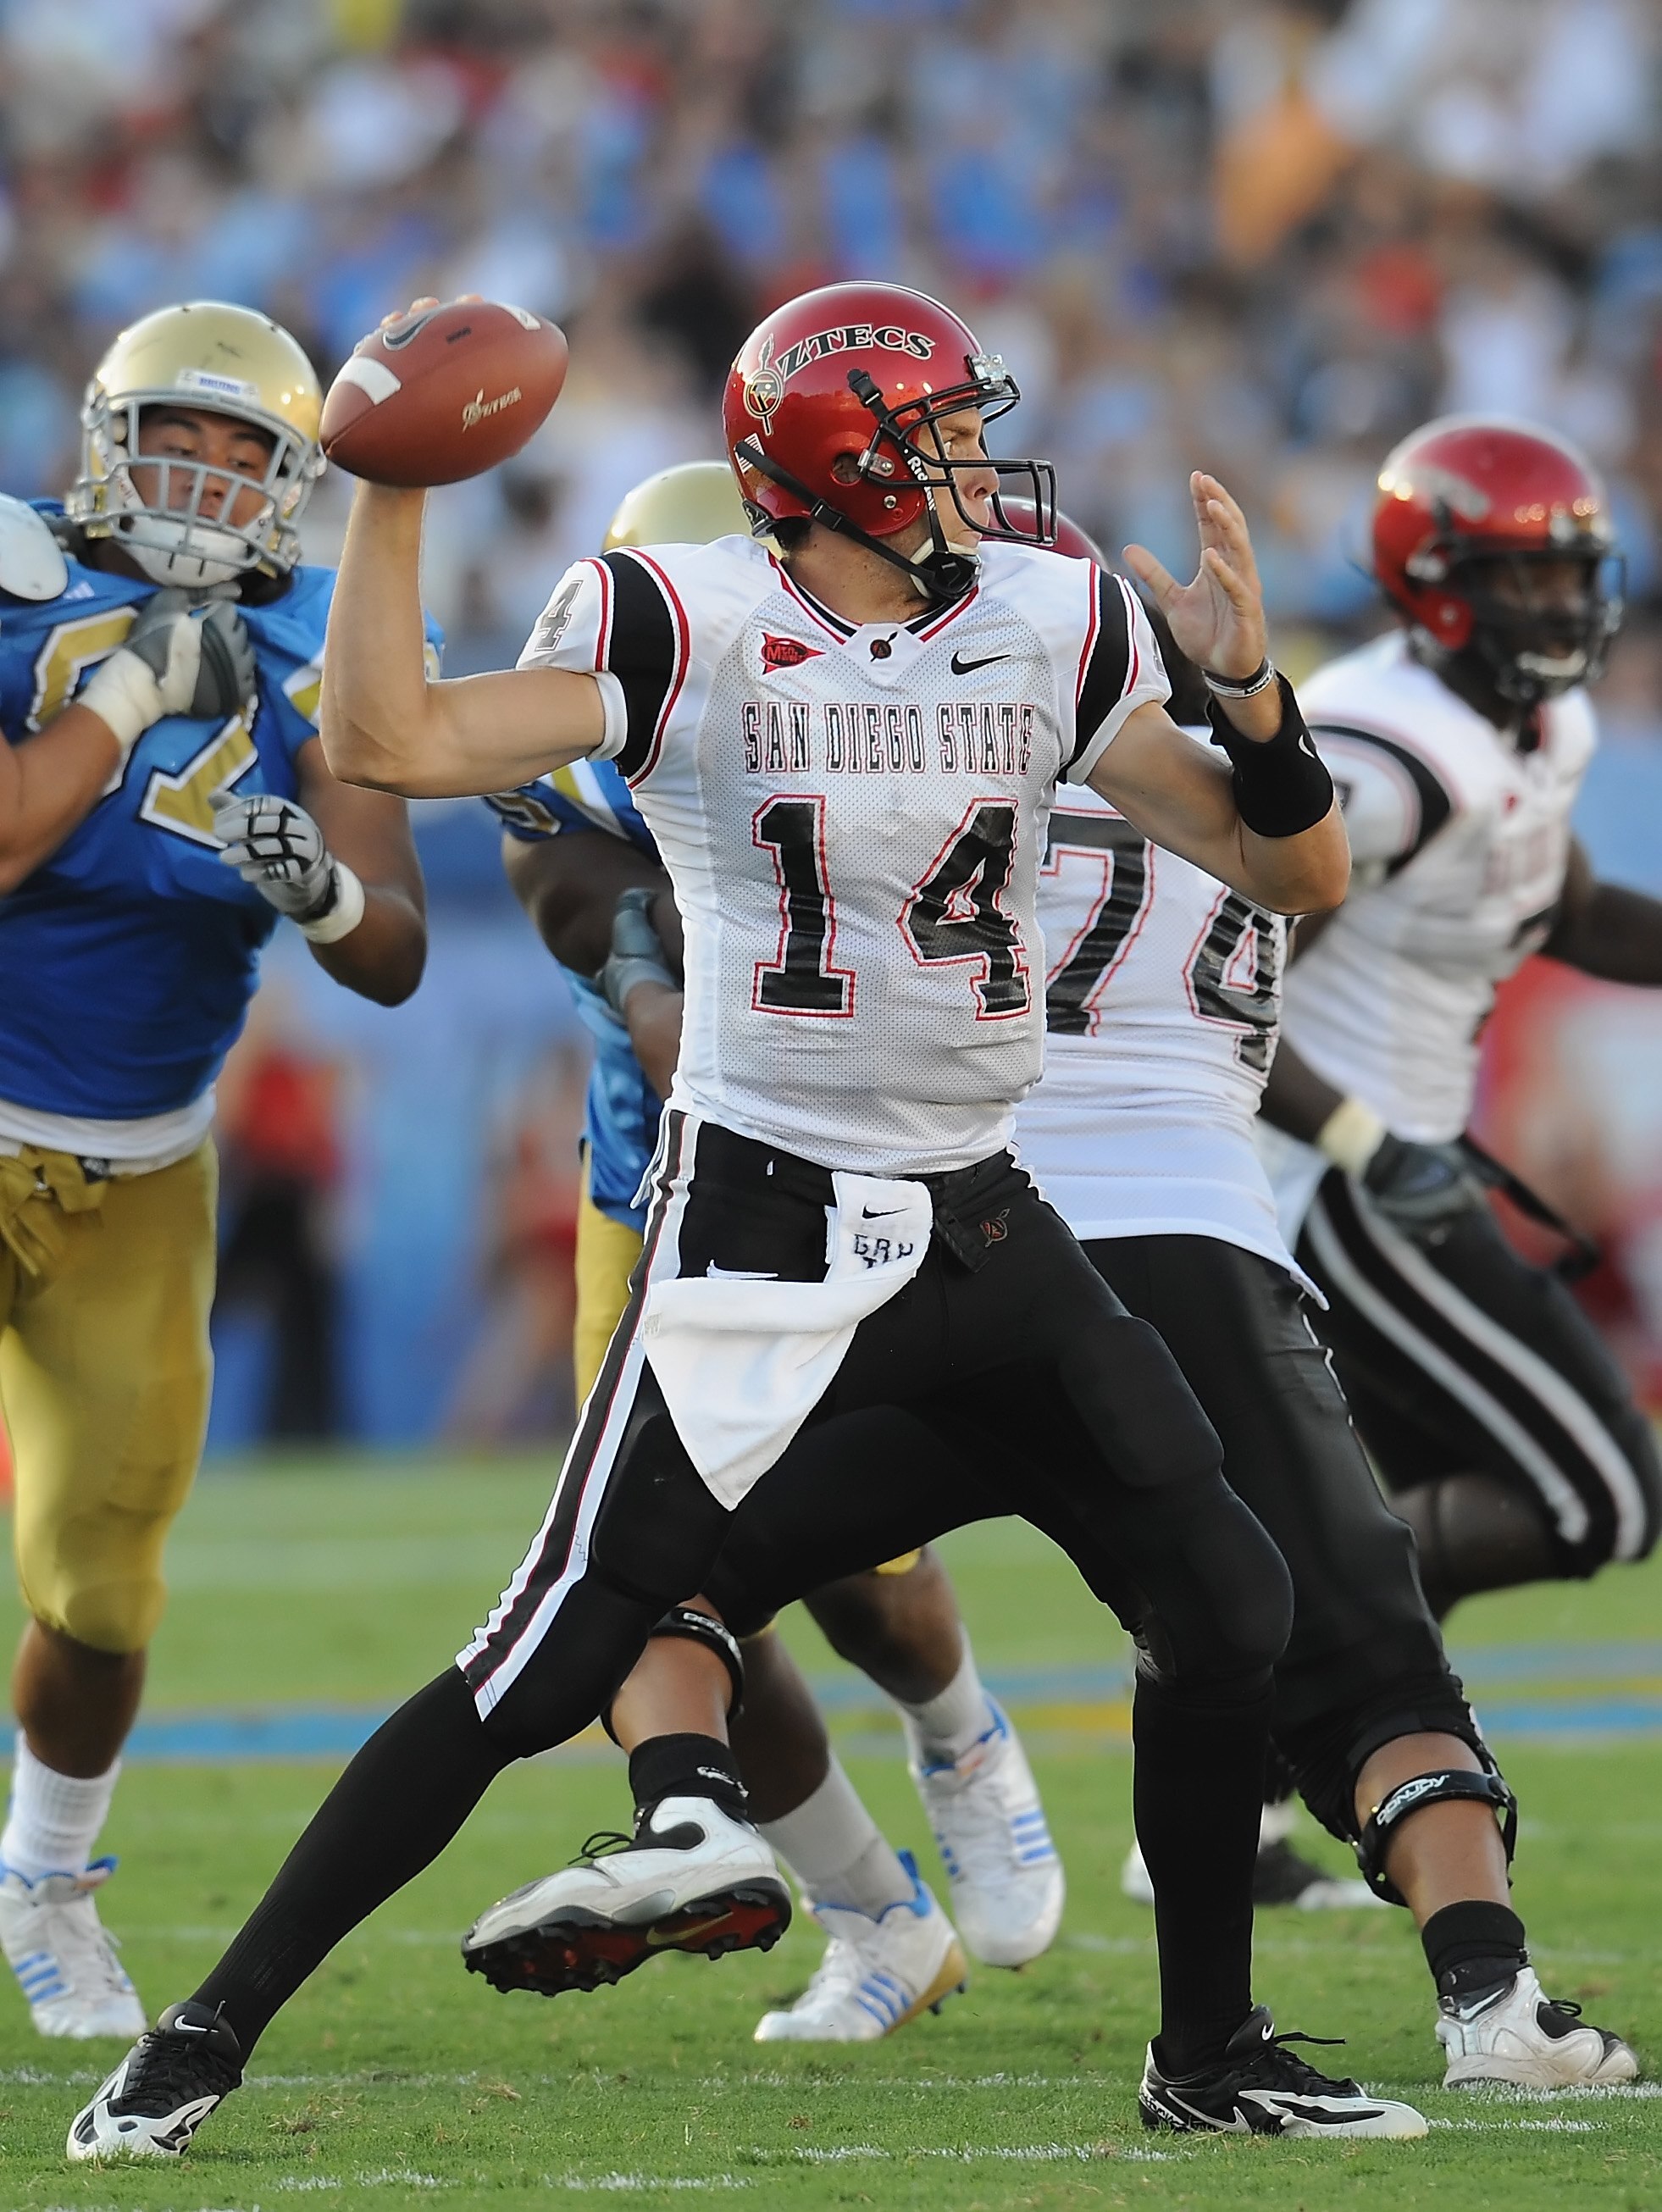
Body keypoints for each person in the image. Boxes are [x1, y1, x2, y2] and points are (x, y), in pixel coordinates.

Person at [70, 280, 1423, 2157]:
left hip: (984, 1209)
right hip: (764, 1214)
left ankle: (1207, 2057)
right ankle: (203, 2035)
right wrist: (393, 487)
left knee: (1230, 1597)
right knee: (540, 1661)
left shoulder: (1054, 614)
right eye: (937, 431)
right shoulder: (682, 612)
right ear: (844, 458)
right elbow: (387, 741)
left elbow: (1296, 861)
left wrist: (1254, 692)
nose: (972, 463)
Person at [519, 516, 1637, 2088]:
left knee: (680, 1563)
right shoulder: (1259, 790)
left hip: (969, 1251)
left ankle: (689, 1808)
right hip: (1197, 1245)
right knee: (1369, 1657)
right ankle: (1489, 2007)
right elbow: (1320, 875)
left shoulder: (955, 758)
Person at [488, 458, 1062, 2041]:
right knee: (676, 1590)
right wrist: (650, 966)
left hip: (864, 1191)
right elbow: (584, 908)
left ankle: (958, 1735)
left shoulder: (865, 712)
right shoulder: (582, 752)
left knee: (869, 1583)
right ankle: (875, 1918)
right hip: (659, 1200)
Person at [0, 301, 429, 2040]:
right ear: (111, 444)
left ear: (290, 483)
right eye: (175, 439)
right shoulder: (22, 586)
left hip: (146, 1164)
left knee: (102, 1588)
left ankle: (43, 1882)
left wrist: (323, 895)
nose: (201, 475)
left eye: (242, 453)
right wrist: (121, 692)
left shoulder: (320, 641)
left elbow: (394, 941)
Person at [1255, 417, 1662, 1622]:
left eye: (1567, 575)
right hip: (1328, 1184)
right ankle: (1263, 1636)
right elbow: (1221, 996)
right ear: (1434, 589)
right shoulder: (1380, 765)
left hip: (1404, 1165)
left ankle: (1241, 1794)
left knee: (1451, 1512)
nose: (1554, 604)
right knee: (1599, 1495)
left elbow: (1564, 910)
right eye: (1519, 577)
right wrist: (1358, 1145)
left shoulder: (1532, 724)